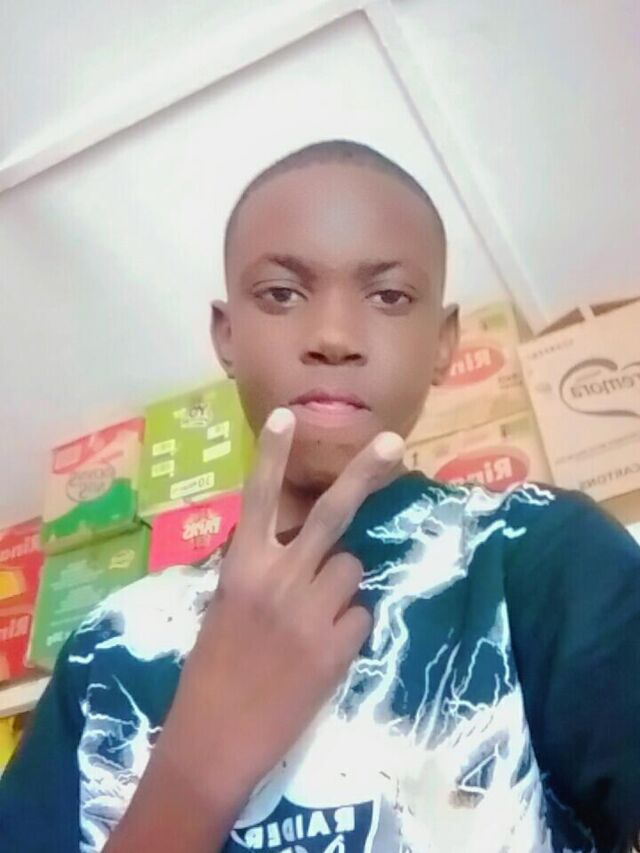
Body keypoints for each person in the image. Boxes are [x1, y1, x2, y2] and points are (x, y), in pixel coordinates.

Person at [0, 140, 638, 853]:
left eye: (389, 296)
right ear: (227, 335)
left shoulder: (539, 555)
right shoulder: (110, 647)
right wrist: (190, 776)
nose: (334, 337)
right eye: (282, 294)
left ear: (442, 342)